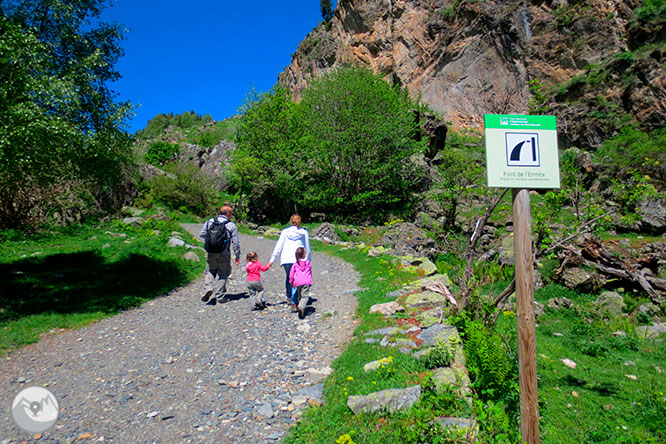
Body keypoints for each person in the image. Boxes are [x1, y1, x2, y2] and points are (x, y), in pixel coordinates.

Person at [267, 214, 310, 308]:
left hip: (286, 258)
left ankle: (289, 296)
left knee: (289, 277)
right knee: (297, 277)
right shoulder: (303, 232)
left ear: (290, 221)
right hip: (298, 258)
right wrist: (308, 260)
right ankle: (294, 299)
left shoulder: (285, 231)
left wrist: (272, 259)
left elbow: (279, 246)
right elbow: (307, 247)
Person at [199, 205, 240, 305]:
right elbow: (236, 243)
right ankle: (220, 296)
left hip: (211, 252)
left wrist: (211, 240)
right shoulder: (231, 225)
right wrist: (237, 255)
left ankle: (208, 288)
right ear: (228, 214)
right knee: (223, 274)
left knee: (209, 271)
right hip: (224, 253)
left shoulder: (210, 222)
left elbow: (202, 234)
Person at [289, 247, 312, 319]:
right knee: (305, 296)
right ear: (304, 255)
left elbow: (291, 274)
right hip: (306, 281)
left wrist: (291, 282)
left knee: (300, 296)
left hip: (298, 282)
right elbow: (310, 271)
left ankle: (300, 307)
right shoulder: (308, 263)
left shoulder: (295, 264)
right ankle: (301, 307)